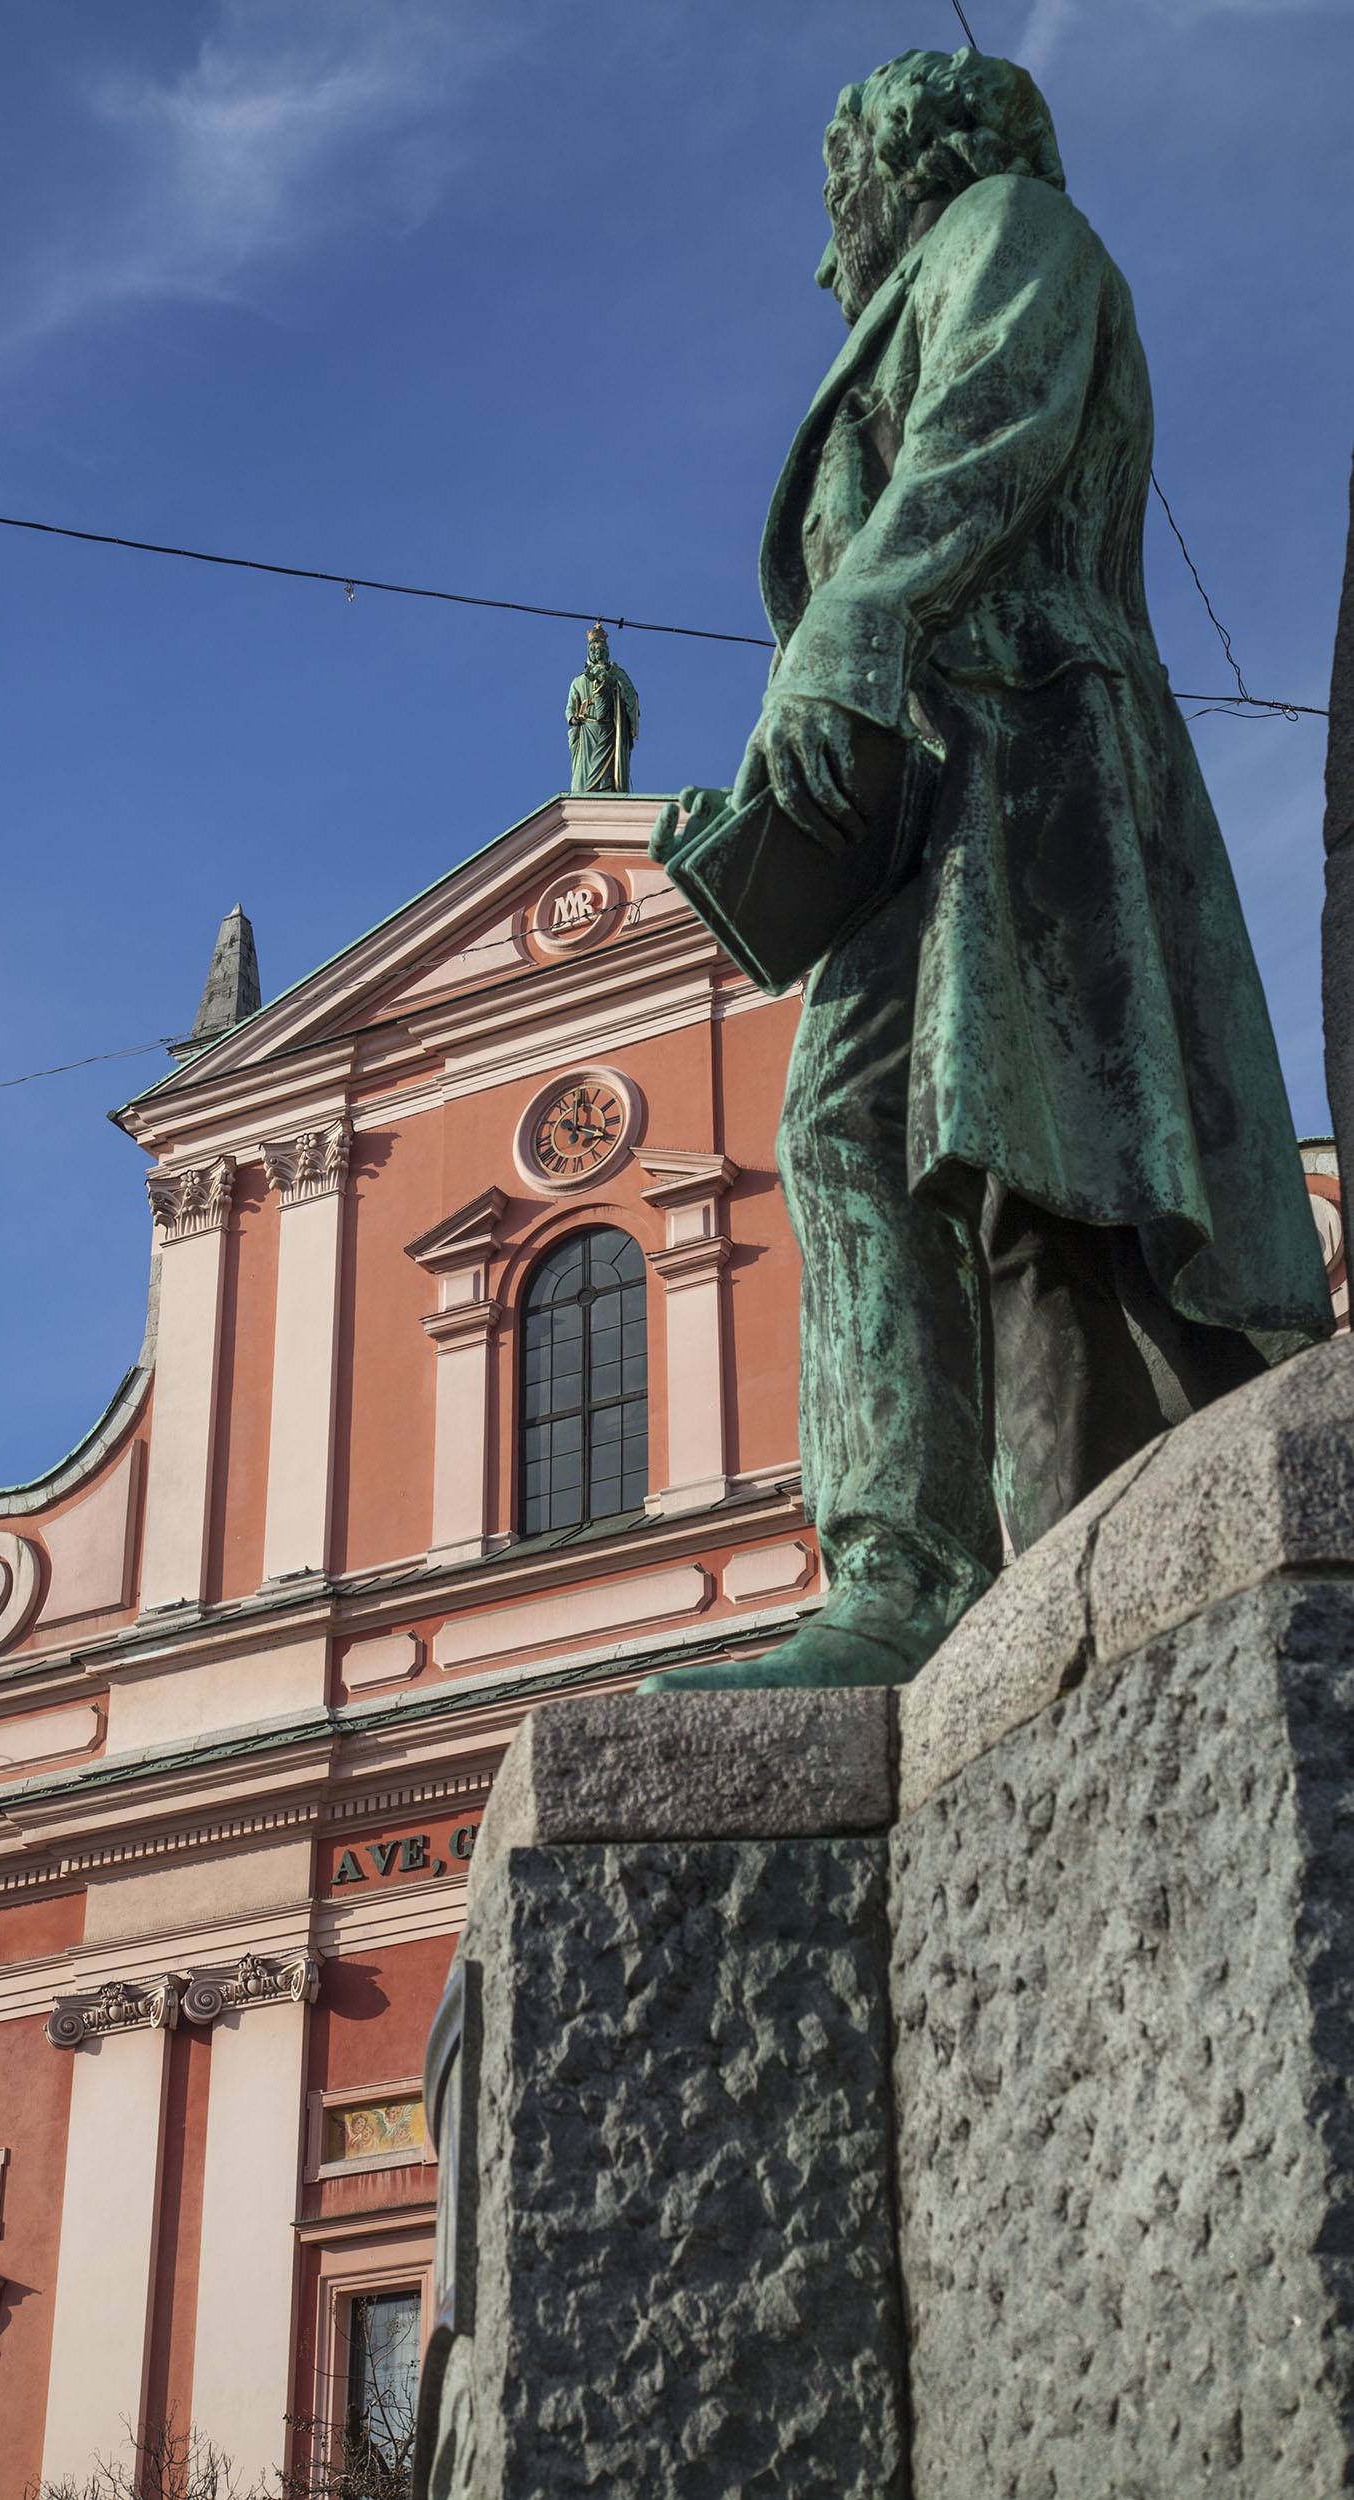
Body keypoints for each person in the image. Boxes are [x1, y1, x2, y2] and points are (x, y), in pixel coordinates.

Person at [647, 47, 1332, 1692]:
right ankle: (924, 1570)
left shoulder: (1005, 227)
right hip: (939, 781)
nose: (829, 257)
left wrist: (858, 620)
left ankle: (910, 1578)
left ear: (900, 164)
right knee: (926, 1139)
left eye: (838, 207)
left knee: (938, 1141)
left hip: (1025, 746)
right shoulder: (939, 269)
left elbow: (984, 426)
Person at [566, 623, 639, 792]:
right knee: (585, 768)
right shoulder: (578, 681)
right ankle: (586, 790)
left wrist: (616, 680)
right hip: (587, 730)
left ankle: (607, 788)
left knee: (607, 769)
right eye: (594, 649)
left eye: (602, 649)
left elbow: (630, 696)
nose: (598, 653)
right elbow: (570, 706)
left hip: (609, 728)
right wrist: (572, 717)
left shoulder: (616, 674)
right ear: (589, 653)